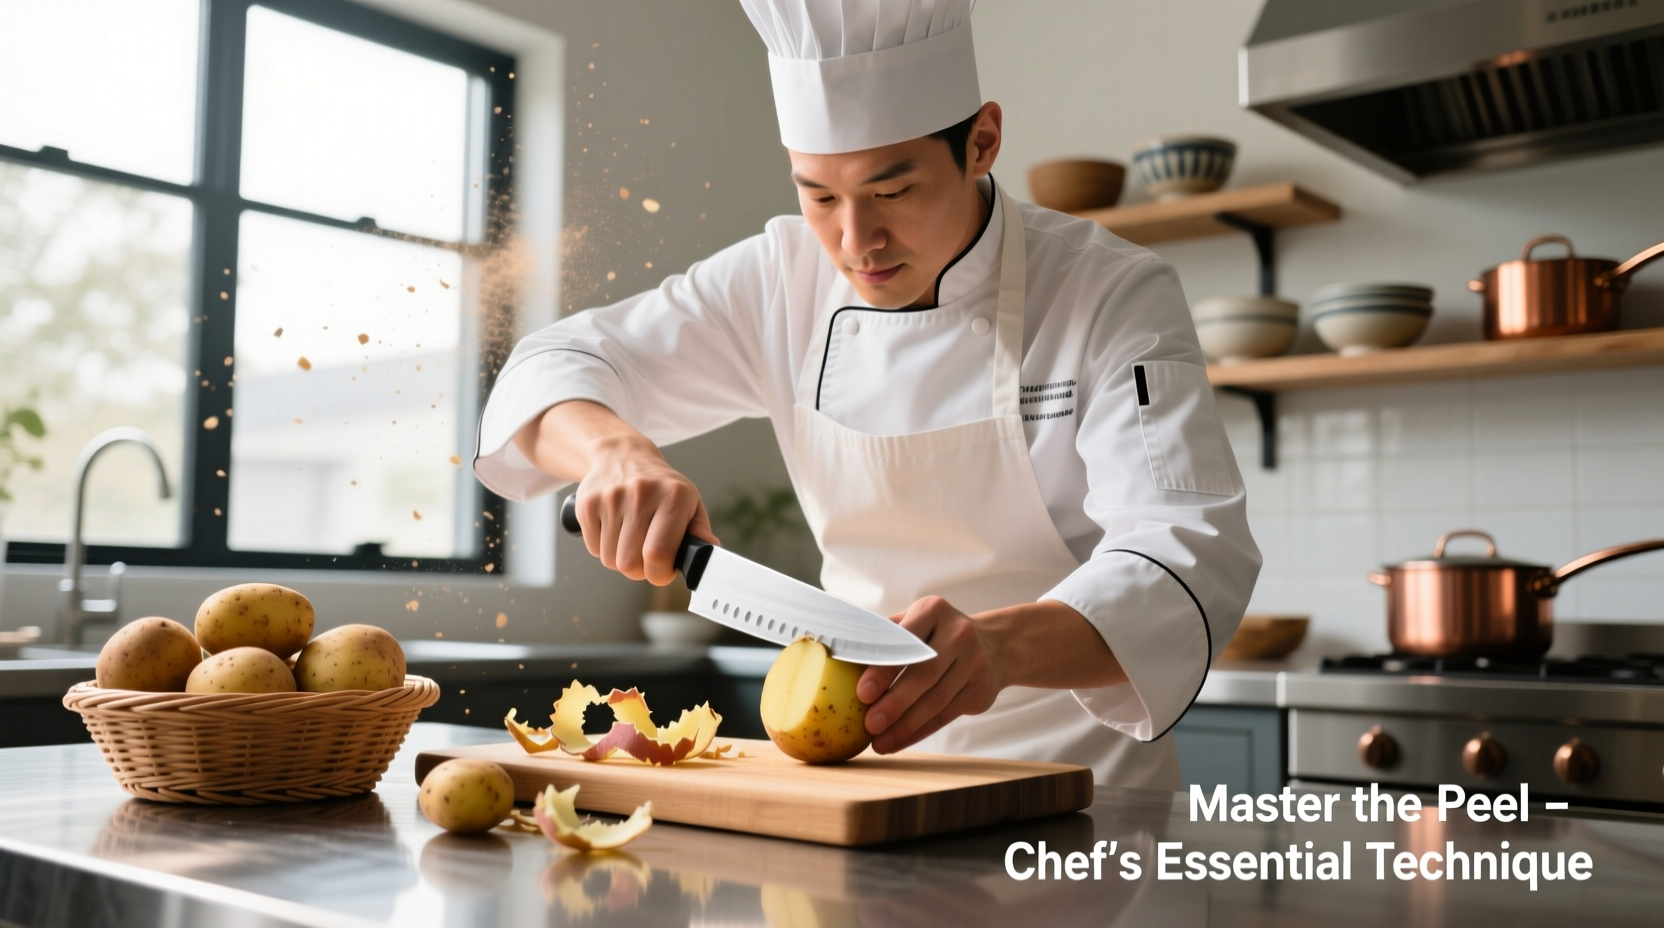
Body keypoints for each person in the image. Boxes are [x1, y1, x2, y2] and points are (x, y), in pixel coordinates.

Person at [473, 0, 1260, 788]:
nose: (856, 242)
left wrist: (998, 649)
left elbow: (1187, 549)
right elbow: (553, 363)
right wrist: (613, 451)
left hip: (1073, 792)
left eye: (892, 192)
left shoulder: (1108, 292)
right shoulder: (779, 280)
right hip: (854, 779)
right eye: (818, 196)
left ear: (982, 141)